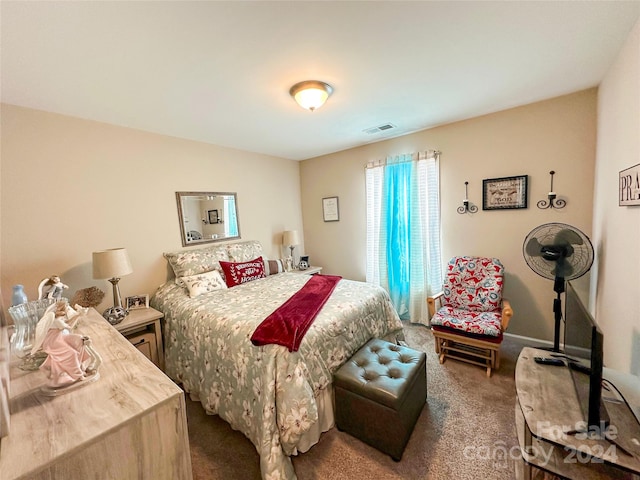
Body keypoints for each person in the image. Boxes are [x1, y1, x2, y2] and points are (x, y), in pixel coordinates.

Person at [32, 301, 99, 388]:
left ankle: (80, 366)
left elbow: (68, 324)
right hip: (52, 343)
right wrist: (78, 315)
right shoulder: (54, 319)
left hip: (59, 338)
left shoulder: (59, 318)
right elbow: (69, 325)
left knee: (78, 339)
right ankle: (78, 375)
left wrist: (78, 315)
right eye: (67, 307)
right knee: (71, 353)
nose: (68, 309)